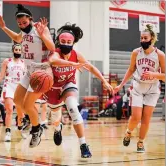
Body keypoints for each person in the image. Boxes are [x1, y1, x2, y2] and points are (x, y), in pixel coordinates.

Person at [0, 5, 85, 146]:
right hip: (30, 70)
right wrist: (3, 27)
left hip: (42, 71)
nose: (22, 25)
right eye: (19, 23)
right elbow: (17, 38)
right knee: (18, 101)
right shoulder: (23, 32)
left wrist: (43, 34)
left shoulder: (40, 28)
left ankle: (36, 129)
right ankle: (29, 119)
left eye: (24, 23)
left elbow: (51, 47)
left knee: (28, 104)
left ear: (31, 19)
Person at [43, 23, 113, 158]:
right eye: (63, 41)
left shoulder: (77, 54)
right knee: (56, 119)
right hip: (53, 88)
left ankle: (83, 145)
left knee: (73, 109)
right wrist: (73, 64)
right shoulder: (55, 53)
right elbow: (54, 62)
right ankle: (58, 129)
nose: (66, 44)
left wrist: (104, 81)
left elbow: (91, 68)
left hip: (68, 84)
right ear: (59, 41)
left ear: (73, 42)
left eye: (69, 42)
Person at [114, 24, 165, 153]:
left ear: (152, 38)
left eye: (145, 38)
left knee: (146, 118)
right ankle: (128, 132)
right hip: (137, 86)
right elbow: (131, 70)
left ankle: (140, 142)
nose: (142, 40)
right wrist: (120, 85)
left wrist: (154, 74)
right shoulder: (136, 52)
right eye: (141, 38)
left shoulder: (160, 55)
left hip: (153, 88)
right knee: (136, 117)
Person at [0, 44, 26, 142]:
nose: (18, 51)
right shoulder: (7, 61)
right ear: (13, 50)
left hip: (19, 88)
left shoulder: (24, 63)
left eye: (19, 50)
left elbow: (26, 77)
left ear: (21, 51)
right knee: (9, 110)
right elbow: (1, 76)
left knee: (20, 113)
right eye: (16, 49)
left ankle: (20, 129)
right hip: (9, 86)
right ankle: (8, 132)